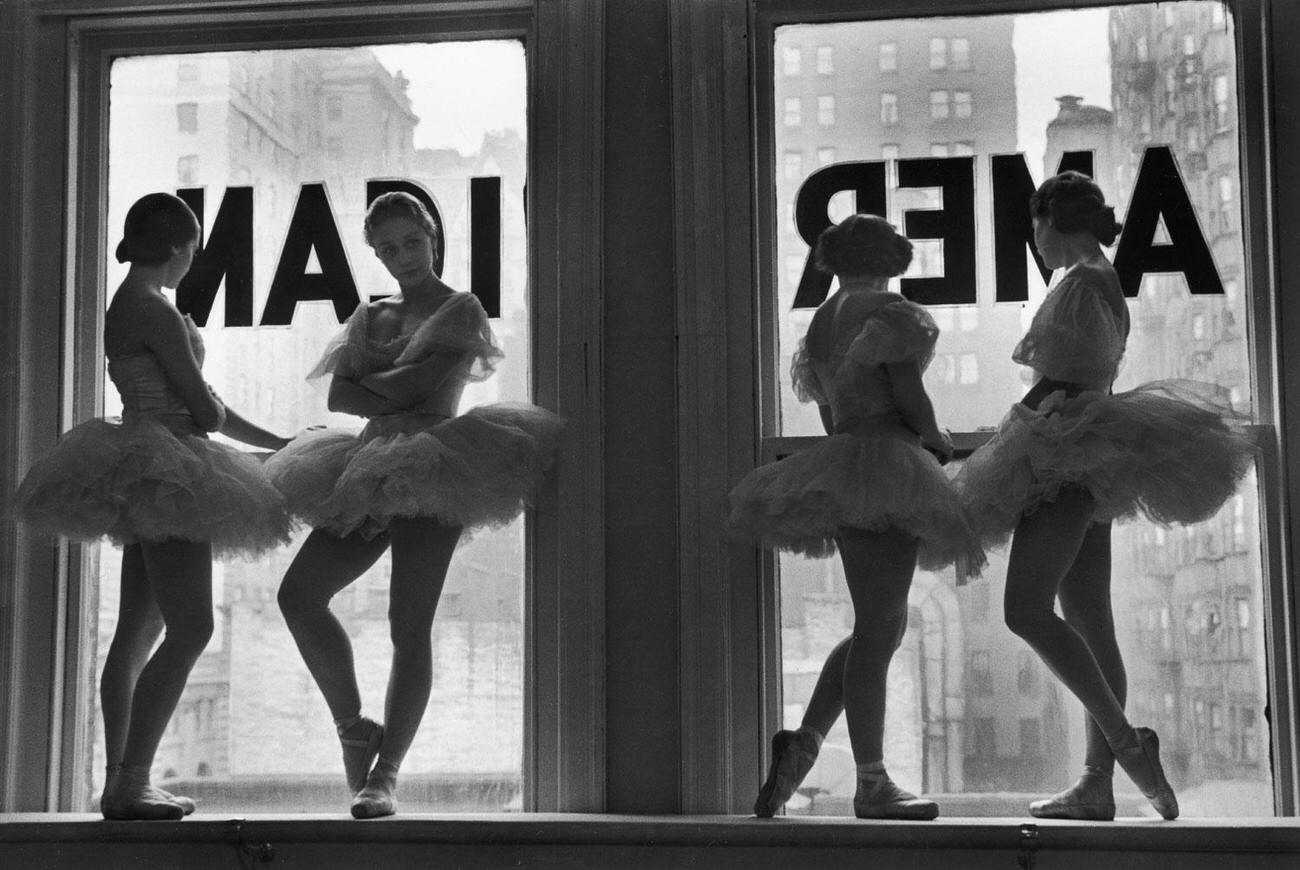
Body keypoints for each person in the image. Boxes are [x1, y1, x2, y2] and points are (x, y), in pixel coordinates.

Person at [955, 171, 1255, 821]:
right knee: (1090, 620)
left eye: (1035, 228)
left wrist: (1001, 449)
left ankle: (1124, 747)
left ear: (1050, 221)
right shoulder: (1097, 279)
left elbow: (1062, 378)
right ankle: (1097, 783)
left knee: (1025, 611)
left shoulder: (1085, 282)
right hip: (1083, 453)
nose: (1035, 242)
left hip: (1066, 453)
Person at [268, 192, 563, 819]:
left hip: (436, 466)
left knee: (409, 625)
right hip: (365, 466)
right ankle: (354, 726)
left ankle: (387, 775)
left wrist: (372, 387)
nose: (403, 256)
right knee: (298, 595)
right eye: (389, 247)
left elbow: (419, 387)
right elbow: (339, 400)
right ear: (376, 252)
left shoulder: (461, 307)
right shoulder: (370, 316)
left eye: (413, 242)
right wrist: (383, 391)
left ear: (433, 238)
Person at [16, 192, 294, 820]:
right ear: (176, 248)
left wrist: (275, 442)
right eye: (191, 252)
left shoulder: (126, 304)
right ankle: (130, 780)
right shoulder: (157, 311)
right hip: (172, 470)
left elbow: (205, 405)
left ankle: (121, 780)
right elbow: (204, 411)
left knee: (138, 633)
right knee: (193, 626)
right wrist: (238, 429)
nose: (190, 263)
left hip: (144, 460)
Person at [729, 214, 985, 820]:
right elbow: (909, 394)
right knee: (881, 625)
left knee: (881, 625)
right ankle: (871, 780)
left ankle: (804, 745)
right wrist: (937, 438)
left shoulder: (822, 319)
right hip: (890, 460)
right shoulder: (889, 311)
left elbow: (827, 410)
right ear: (887, 258)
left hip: (846, 459)